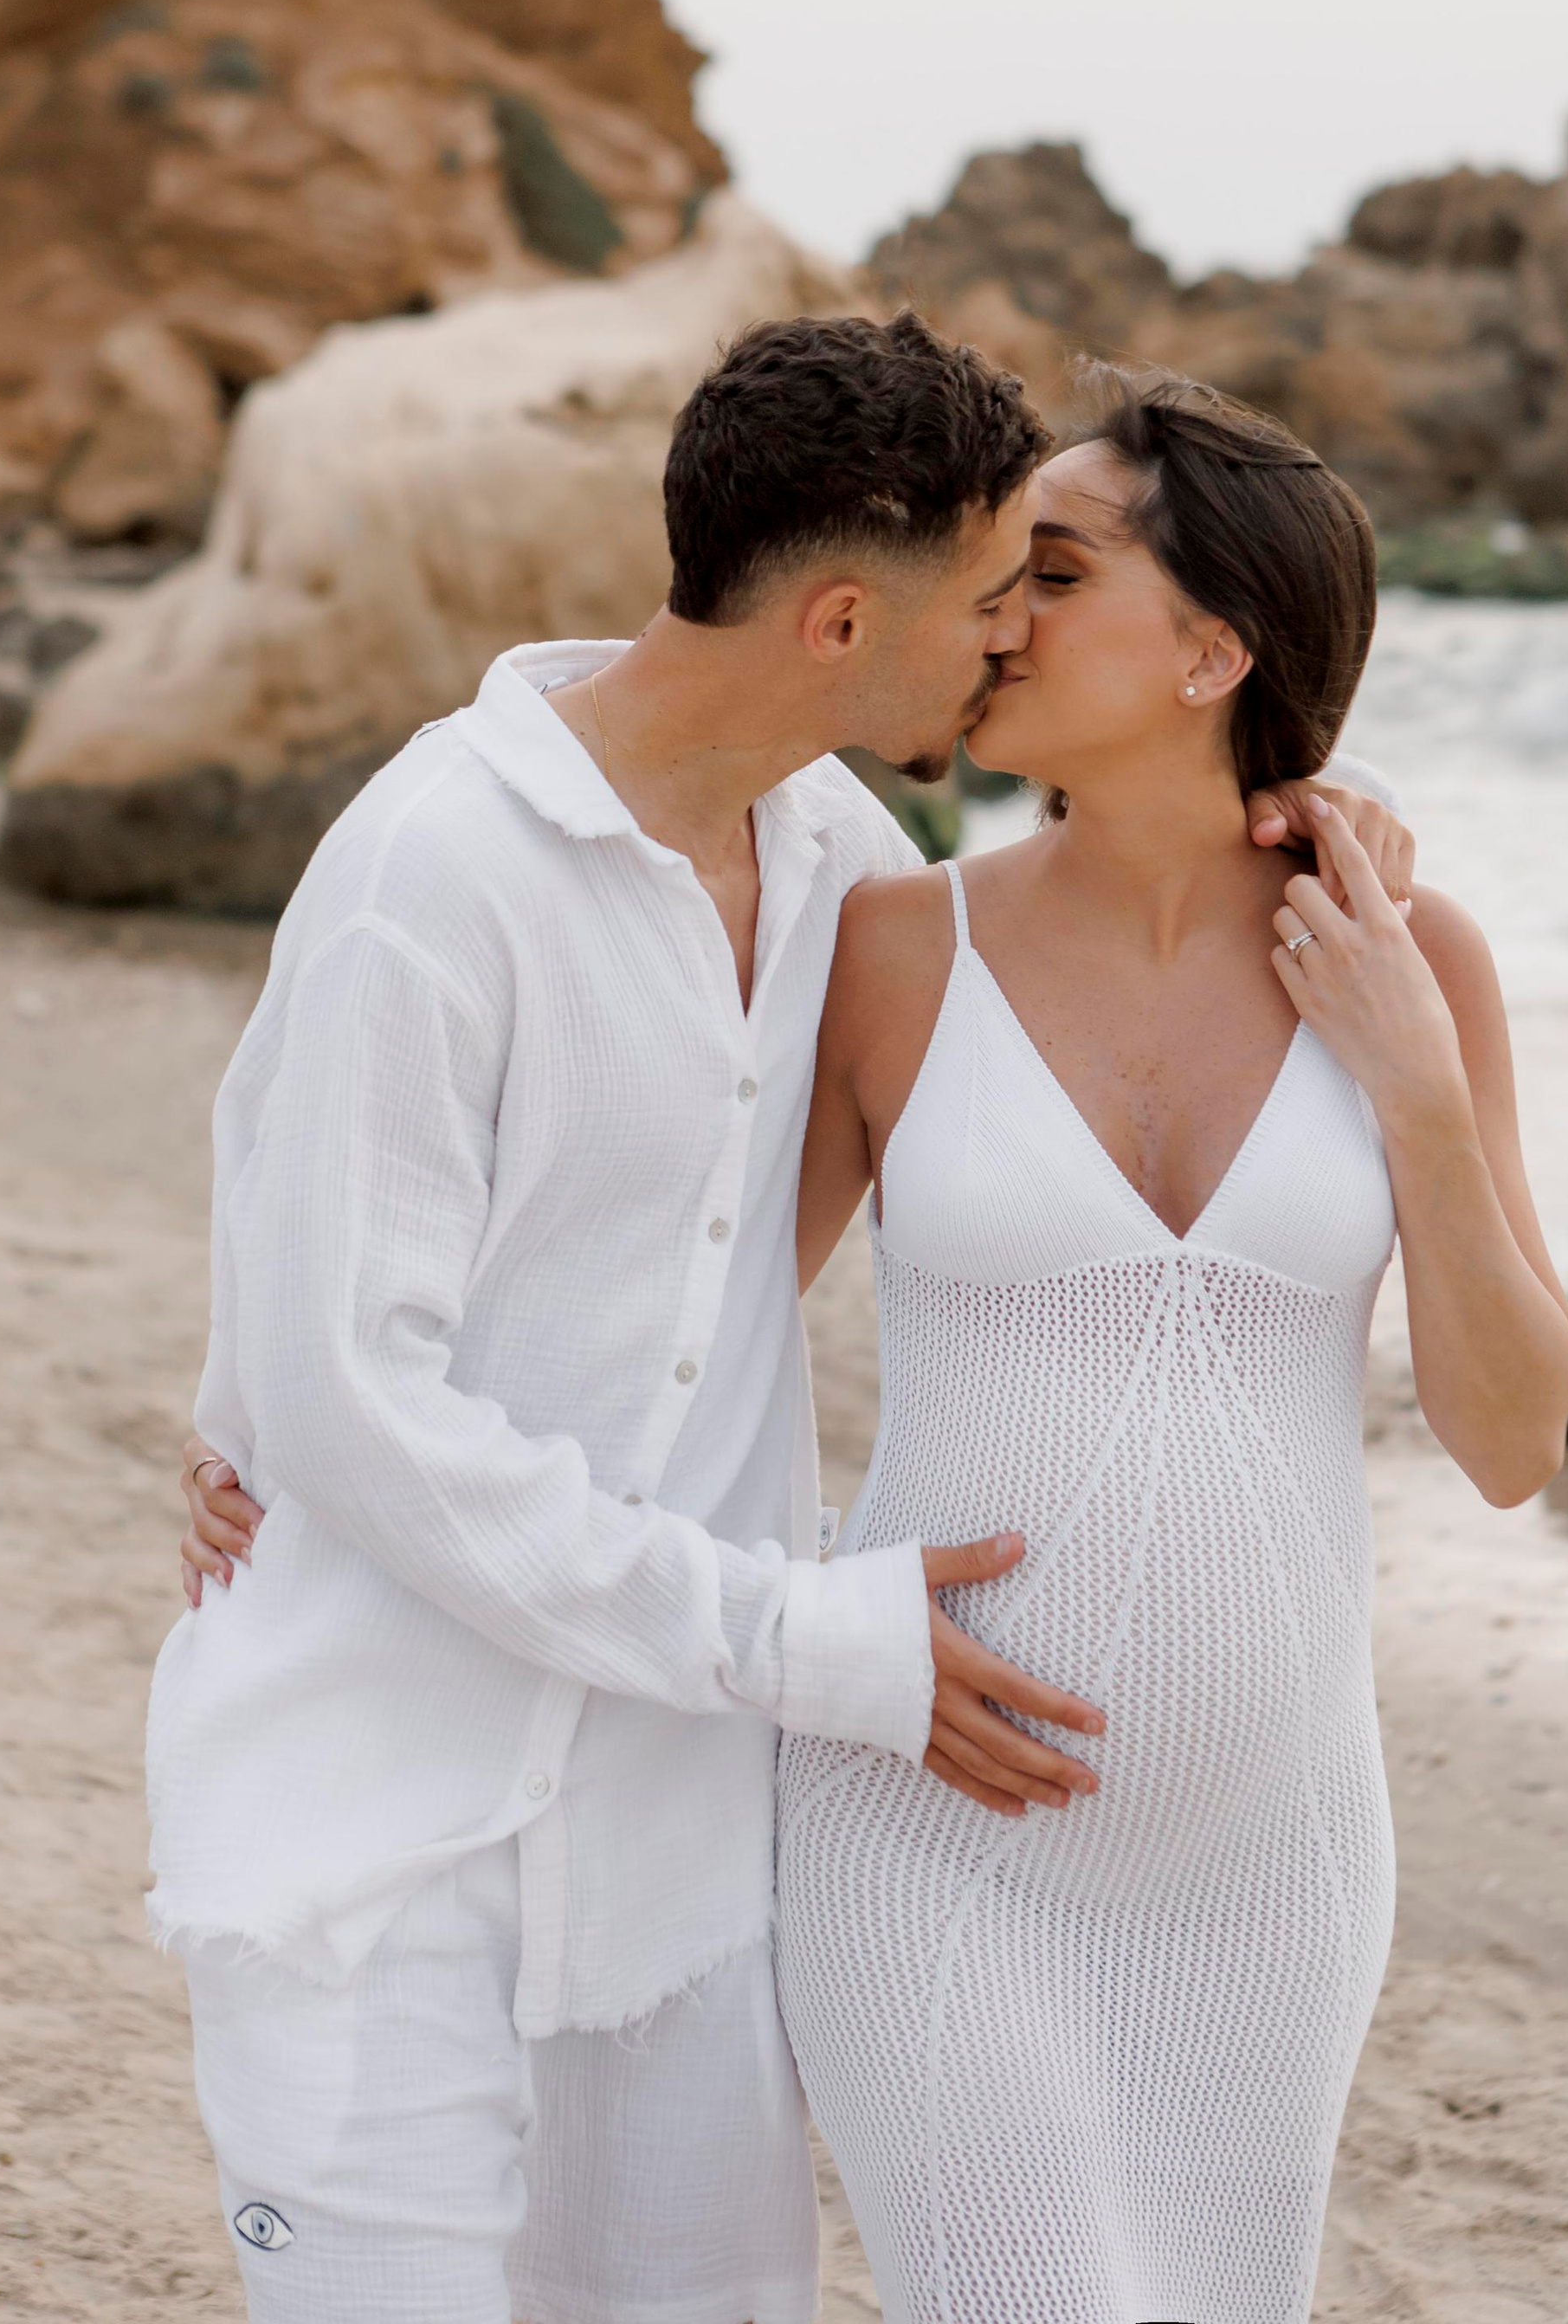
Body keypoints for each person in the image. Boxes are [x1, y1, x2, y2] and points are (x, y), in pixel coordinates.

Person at [162, 310, 1410, 2324]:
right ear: (844, 621)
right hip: (382, 1835)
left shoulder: (840, 864)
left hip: (672, 1864)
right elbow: (344, 1357)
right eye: (1002, 592)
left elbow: (1050, 998)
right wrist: (271, 1397)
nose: (1010, 637)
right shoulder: (433, 869)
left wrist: (1332, 849)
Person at [771, 371, 1568, 2324]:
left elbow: (1508, 1439)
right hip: (923, 1825)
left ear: (1213, 648)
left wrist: (1415, 1098)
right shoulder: (895, 948)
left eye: (1048, 571)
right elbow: (686, 1324)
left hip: (1272, 1861)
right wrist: (299, 1412)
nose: (995, 617)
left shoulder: (1408, 955)